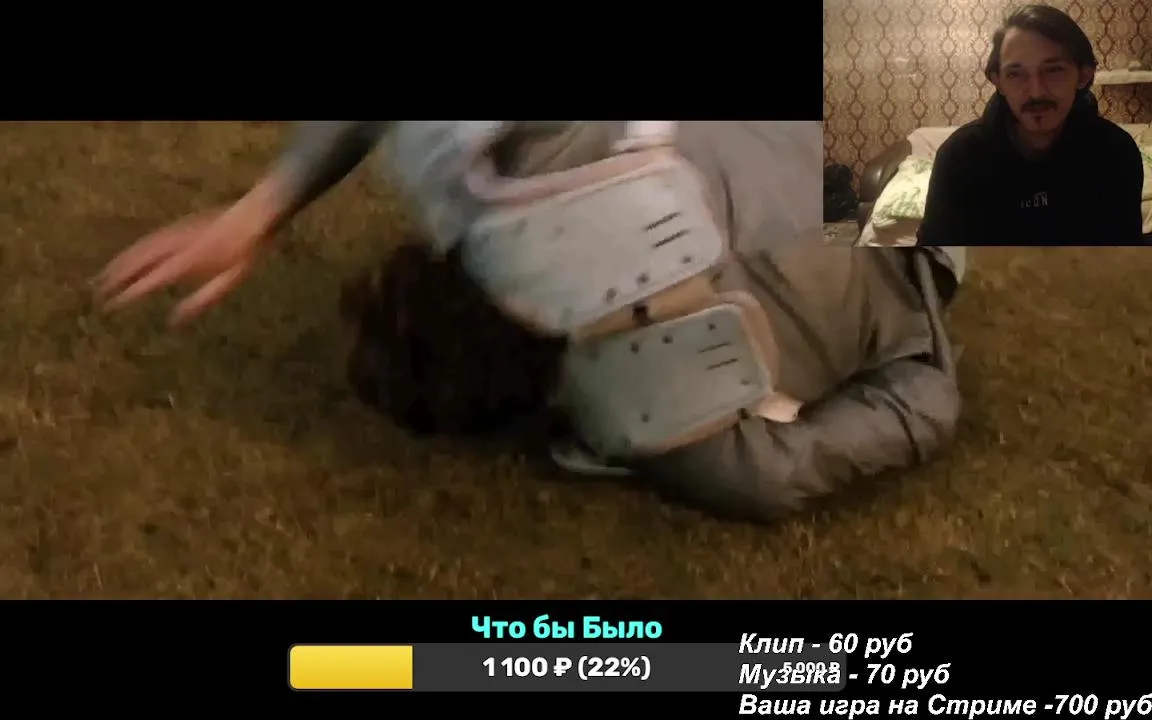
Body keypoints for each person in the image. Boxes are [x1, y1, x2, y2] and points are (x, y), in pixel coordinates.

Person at [95, 121, 966, 524]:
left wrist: (917, 339)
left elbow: (922, 405)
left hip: (919, 223)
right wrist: (258, 211)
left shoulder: (691, 442)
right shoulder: (531, 157)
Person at [918, 4, 1145, 247]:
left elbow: (1124, 260)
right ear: (998, 81)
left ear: (1083, 76)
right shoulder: (960, 157)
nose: (1036, 91)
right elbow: (932, 263)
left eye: (1053, 70)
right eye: (1016, 74)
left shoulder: (1116, 152)